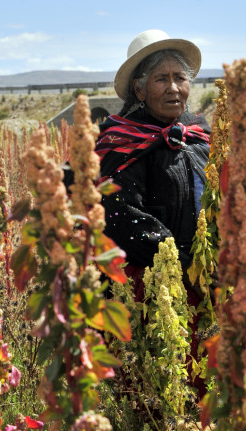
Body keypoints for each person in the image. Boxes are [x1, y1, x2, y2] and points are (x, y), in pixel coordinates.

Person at [91, 29, 211, 300]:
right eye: (161, 79)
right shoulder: (122, 142)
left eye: (180, 77)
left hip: (208, 276)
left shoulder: (199, 136)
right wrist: (186, 265)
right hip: (150, 285)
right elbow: (124, 217)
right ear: (139, 90)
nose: (173, 88)